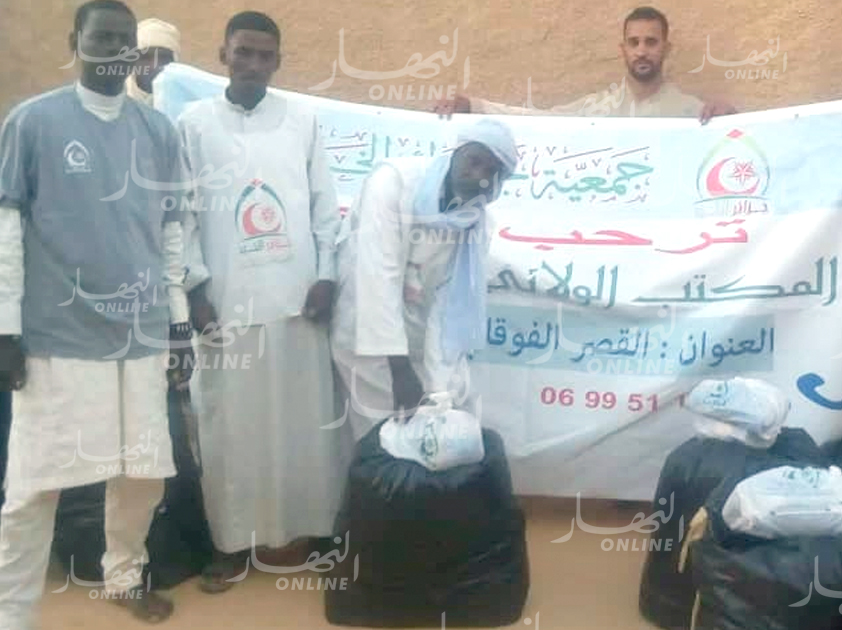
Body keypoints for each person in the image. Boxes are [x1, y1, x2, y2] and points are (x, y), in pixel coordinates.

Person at [0, 0, 193, 630]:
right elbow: (8, 229)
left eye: (123, 41)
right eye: (101, 38)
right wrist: (6, 328)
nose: (114, 51)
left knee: (143, 471)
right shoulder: (33, 122)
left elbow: (171, 232)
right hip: (58, 335)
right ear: (76, 42)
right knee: (34, 486)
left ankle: (124, 576)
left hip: (140, 335)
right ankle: (11, 624)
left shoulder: (158, 131)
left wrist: (178, 323)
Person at [177, 11, 344, 593]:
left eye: (264, 55)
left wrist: (326, 276)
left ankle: (318, 532)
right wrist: (195, 288)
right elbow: (181, 213)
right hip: (225, 304)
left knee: (308, 425)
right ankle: (231, 545)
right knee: (229, 429)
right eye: (243, 52)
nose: (252, 64)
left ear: (278, 61)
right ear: (223, 53)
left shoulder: (302, 120)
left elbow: (325, 205)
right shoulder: (192, 124)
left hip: (298, 301)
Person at [329, 119, 517, 457]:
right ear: (456, 152)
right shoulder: (394, 183)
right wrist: (400, 370)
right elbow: (378, 275)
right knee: (382, 442)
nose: (478, 176)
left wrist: (438, 389)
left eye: (491, 171)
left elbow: (448, 307)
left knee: (447, 418)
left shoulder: (476, 224)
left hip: (417, 338)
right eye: (474, 161)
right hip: (368, 333)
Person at [432, 6, 735, 123]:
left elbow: (731, 148)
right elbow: (538, 121)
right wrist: (474, 106)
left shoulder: (692, 113)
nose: (642, 51)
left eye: (651, 42)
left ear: (666, 49)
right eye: (634, 42)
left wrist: (730, 120)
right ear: (623, 50)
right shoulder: (596, 110)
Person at [125, 17, 180, 106]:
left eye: (164, 58)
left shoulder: (189, 106)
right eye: (146, 57)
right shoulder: (112, 104)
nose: (154, 65)